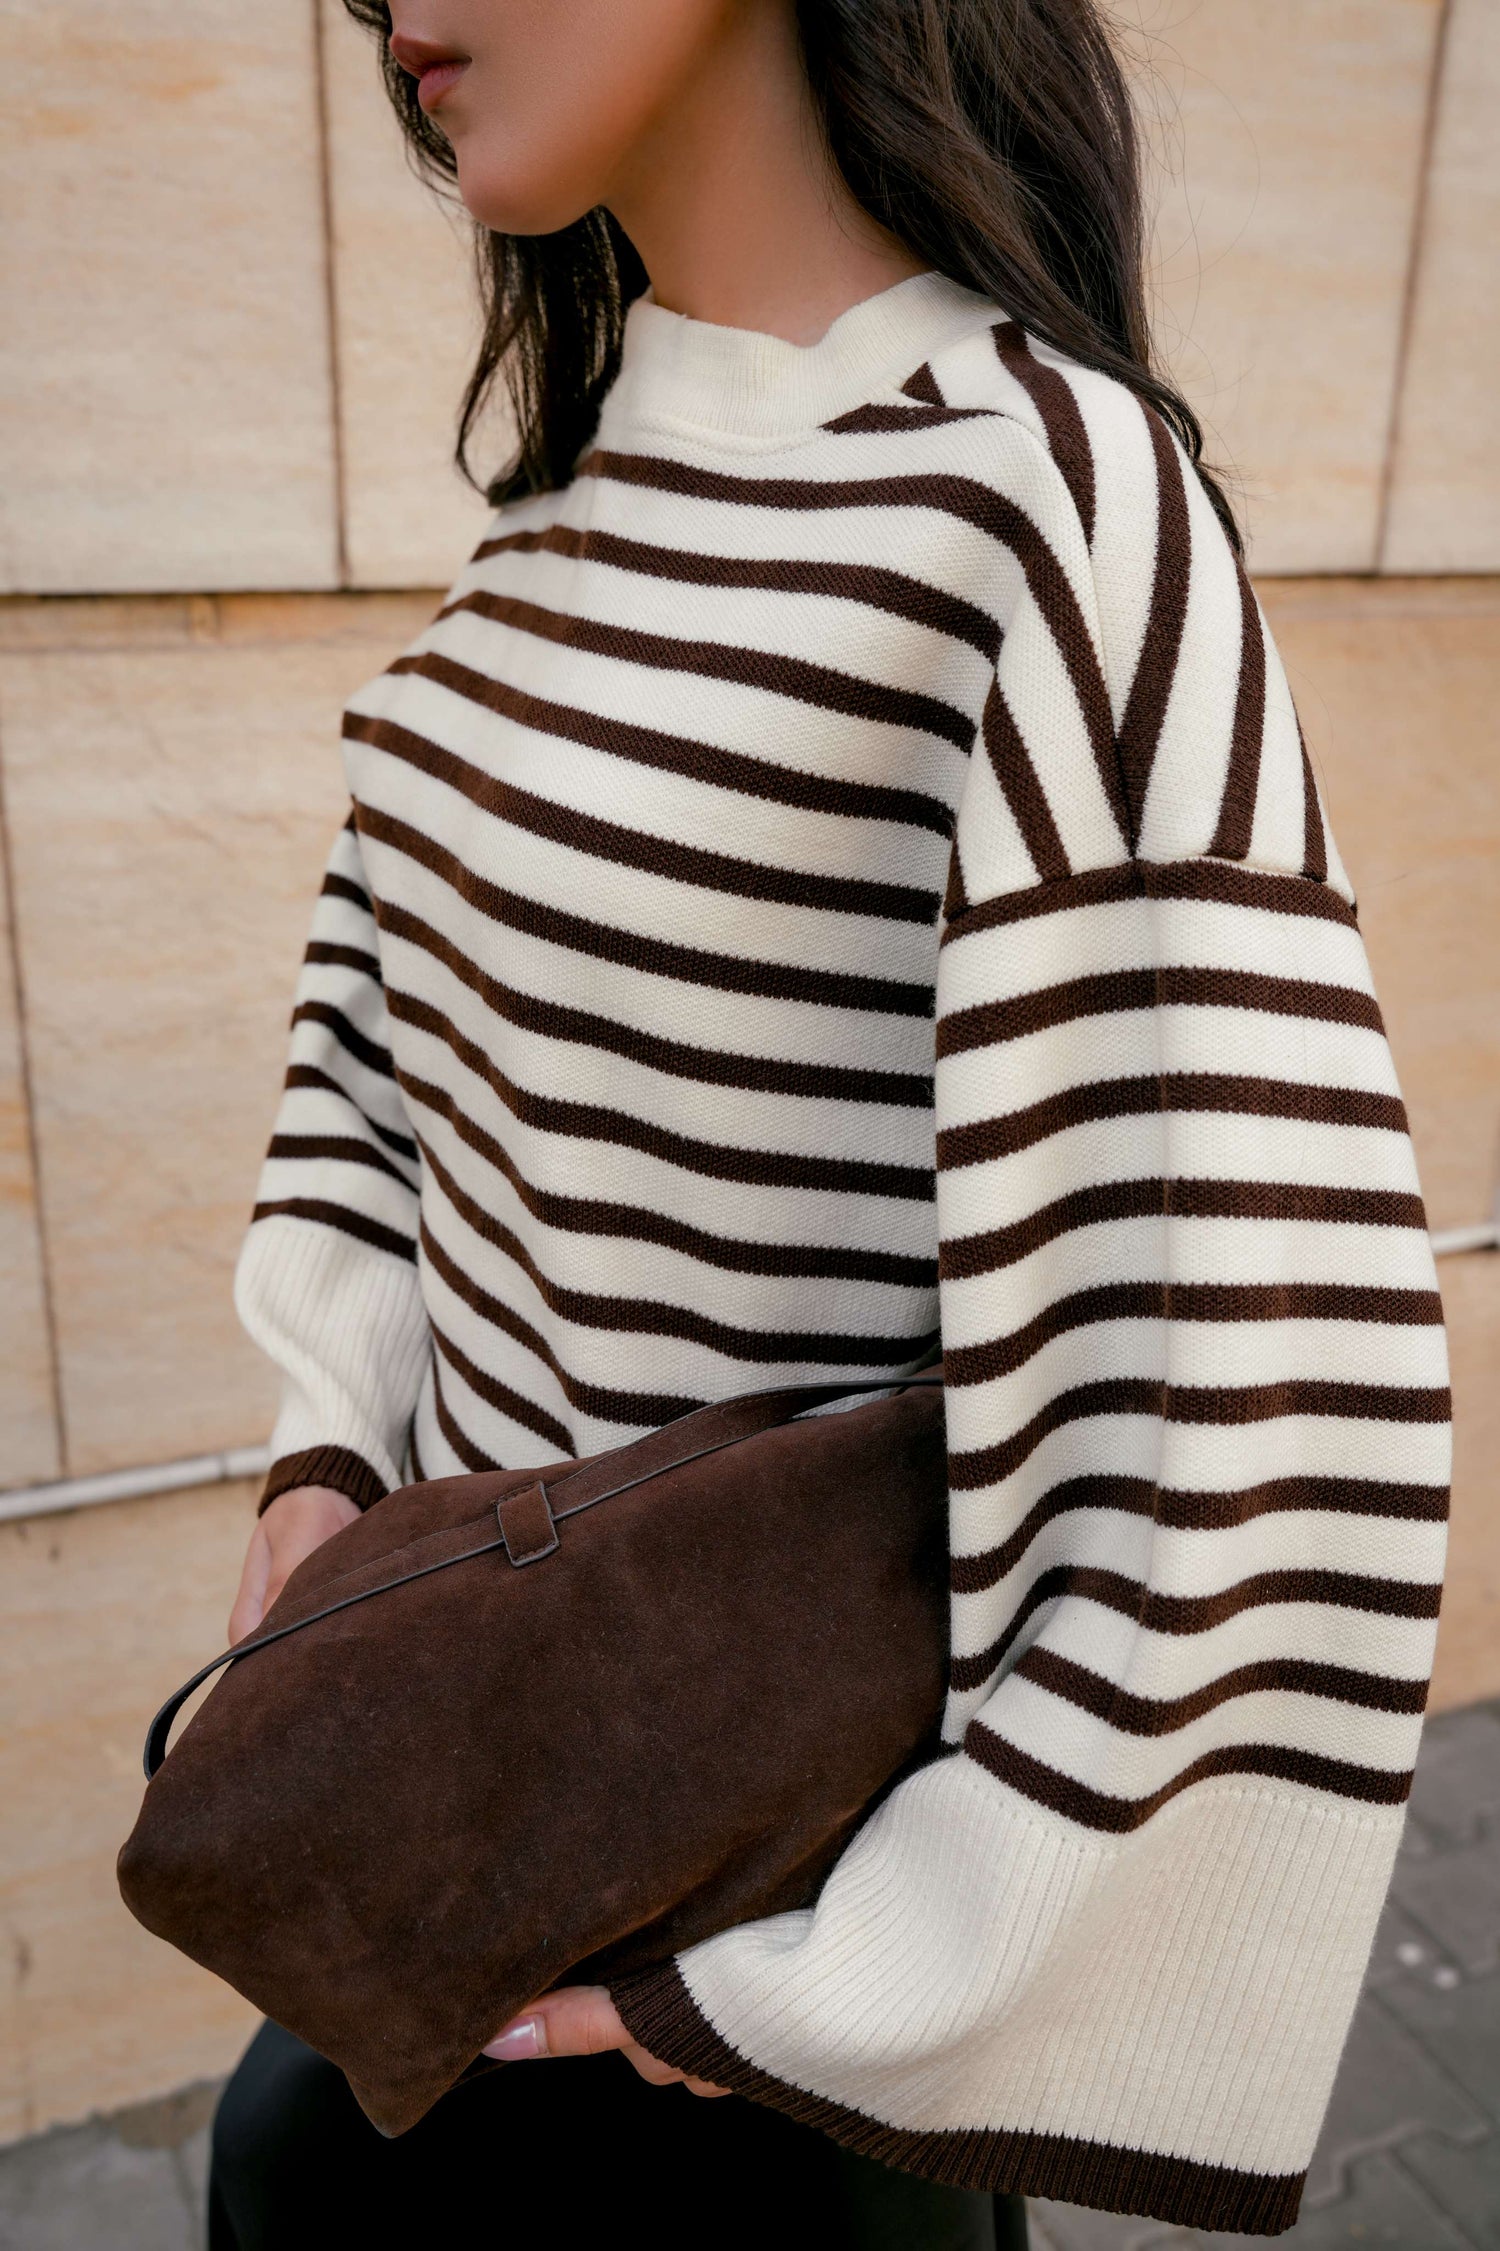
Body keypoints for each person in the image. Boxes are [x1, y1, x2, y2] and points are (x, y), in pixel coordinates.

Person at [208, 0, 1450, 2243]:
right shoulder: (554, 523)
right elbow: (374, 1051)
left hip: (744, 2070)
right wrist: (328, 1455)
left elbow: (1248, 1381)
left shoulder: (1046, 504)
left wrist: (885, 1976)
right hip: (431, 1895)